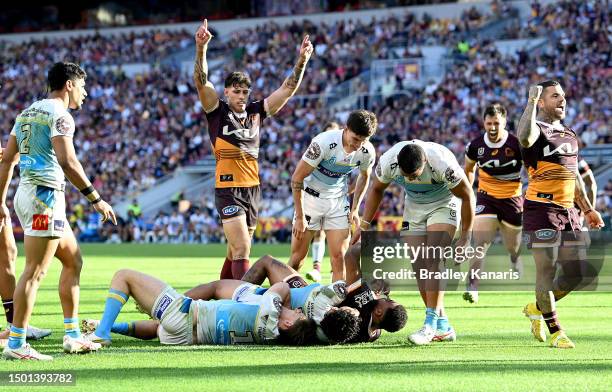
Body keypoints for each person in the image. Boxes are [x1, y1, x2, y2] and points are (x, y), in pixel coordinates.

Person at [0, 62, 117, 360]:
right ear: (68, 85)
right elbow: (68, 162)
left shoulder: (26, 113)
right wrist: (96, 199)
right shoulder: (60, 116)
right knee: (35, 271)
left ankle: (72, 335)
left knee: (73, 260)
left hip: (29, 195)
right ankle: (16, 344)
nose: (85, 93)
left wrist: (0, 201)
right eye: (82, 86)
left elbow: (7, 160)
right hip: (44, 199)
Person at [193, 19, 313, 280]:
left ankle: (219, 298)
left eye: (245, 92)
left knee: (233, 250)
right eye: (236, 91)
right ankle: (243, 301)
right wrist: (201, 49)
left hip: (252, 188)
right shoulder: (217, 111)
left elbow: (288, 89)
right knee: (242, 248)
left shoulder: (257, 112)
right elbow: (202, 82)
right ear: (225, 92)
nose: (242, 96)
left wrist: (301, 61)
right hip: (228, 188)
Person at [351, 140, 475, 345]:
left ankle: (429, 324)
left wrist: (466, 236)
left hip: (444, 204)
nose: (409, 179)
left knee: (433, 258)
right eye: (406, 175)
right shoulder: (389, 161)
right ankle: (443, 325)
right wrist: (363, 225)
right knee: (419, 267)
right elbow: (376, 189)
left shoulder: (443, 163)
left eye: (414, 175)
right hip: (414, 206)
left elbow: (467, 195)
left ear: (425, 162)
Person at [518, 81, 604, 348]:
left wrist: (588, 208)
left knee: (577, 274)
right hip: (541, 210)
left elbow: (574, 175)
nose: (562, 100)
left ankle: (537, 307)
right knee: (546, 269)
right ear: (541, 102)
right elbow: (523, 137)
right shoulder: (535, 130)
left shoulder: (569, 134)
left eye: (564, 96)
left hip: (569, 212)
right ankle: (556, 331)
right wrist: (530, 101)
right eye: (555, 96)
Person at [82, 270, 315, 346]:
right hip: (184, 339)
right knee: (157, 327)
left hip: (185, 314)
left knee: (123, 276)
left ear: (286, 324)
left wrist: (282, 301)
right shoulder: (270, 337)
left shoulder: (269, 309)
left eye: (298, 314)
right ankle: (109, 326)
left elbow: (282, 286)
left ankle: (101, 334)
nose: (298, 310)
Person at [289, 110, 377, 282]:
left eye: (364, 140)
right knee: (298, 258)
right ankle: (284, 296)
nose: (358, 145)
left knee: (339, 259)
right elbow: (297, 178)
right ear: (346, 129)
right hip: (310, 200)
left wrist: (355, 209)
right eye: (356, 139)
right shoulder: (323, 142)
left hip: (337, 202)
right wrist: (299, 216)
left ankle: (336, 306)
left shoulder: (367, 152)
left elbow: (364, 176)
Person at [241, 255, 406, 343]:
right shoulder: (373, 334)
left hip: (305, 300)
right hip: (308, 315)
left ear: (378, 311)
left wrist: (360, 238)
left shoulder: (364, 299)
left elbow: (351, 257)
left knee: (267, 262)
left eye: (389, 301)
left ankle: (238, 292)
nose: (387, 298)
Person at [463, 103, 524, 303]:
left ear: (504, 122)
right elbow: (469, 169)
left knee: (512, 246)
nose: (492, 127)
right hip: (486, 197)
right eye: (489, 123)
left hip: (512, 199)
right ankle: (472, 286)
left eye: (496, 123)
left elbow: (532, 168)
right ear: (484, 122)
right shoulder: (475, 146)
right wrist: (469, 192)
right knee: (481, 243)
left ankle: (515, 259)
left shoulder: (517, 144)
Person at [183, 276, 360, 344]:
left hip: (260, 298)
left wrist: (353, 308)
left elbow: (341, 286)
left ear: (336, 311)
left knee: (215, 287)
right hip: (256, 317)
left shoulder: (323, 301)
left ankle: (178, 305)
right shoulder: (325, 337)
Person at [305, 121, 341, 282]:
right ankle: (316, 268)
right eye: (328, 132)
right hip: (316, 196)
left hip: (337, 198)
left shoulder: (347, 152)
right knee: (318, 232)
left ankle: (338, 269)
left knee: (341, 236)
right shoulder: (319, 147)